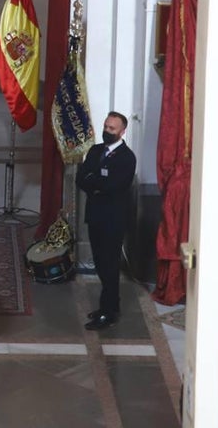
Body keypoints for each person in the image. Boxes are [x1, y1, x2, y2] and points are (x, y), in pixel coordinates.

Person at [77, 111, 137, 331]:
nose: (107, 131)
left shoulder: (126, 158)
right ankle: (111, 304)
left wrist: (96, 182)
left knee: (109, 265)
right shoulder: (95, 151)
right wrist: (97, 184)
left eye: (112, 128)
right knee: (99, 262)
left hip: (112, 220)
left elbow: (115, 186)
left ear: (122, 131)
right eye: (105, 126)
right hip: (95, 216)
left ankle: (108, 311)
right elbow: (81, 178)